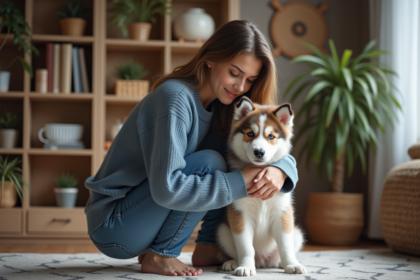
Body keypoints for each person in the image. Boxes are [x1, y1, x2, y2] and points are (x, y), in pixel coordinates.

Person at [84, 20, 298, 277]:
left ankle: (207, 246)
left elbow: (274, 142)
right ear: (210, 59)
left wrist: (280, 169)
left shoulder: (228, 107)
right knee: (212, 163)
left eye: (250, 79)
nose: (241, 87)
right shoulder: (174, 98)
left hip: (144, 218)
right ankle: (162, 254)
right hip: (115, 224)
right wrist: (242, 180)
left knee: (225, 160)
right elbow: (167, 189)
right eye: (234, 73)